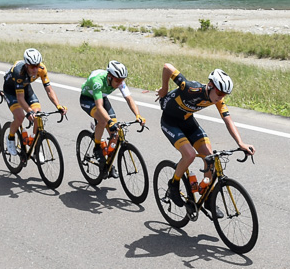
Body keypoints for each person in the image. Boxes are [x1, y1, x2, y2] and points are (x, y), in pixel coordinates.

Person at [156, 63, 254, 211]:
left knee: (210, 158)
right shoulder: (191, 88)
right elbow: (167, 67)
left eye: (225, 95)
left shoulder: (218, 98)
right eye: (220, 93)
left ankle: (207, 196)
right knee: (189, 155)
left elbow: (228, 120)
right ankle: (173, 184)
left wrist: (240, 143)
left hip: (188, 121)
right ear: (210, 85)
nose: (221, 98)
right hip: (170, 122)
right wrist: (164, 88)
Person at [80, 60, 145, 173]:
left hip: (102, 97)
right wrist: (109, 121)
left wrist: (138, 115)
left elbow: (129, 99)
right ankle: (97, 148)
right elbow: (99, 107)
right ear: (109, 77)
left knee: (115, 132)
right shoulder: (98, 81)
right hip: (88, 99)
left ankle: (107, 164)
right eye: (118, 80)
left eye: (122, 80)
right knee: (103, 121)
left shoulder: (119, 81)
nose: (120, 83)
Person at [2, 48, 67, 157]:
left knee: (38, 115)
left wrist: (58, 105)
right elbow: (20, 98)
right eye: (32, 66)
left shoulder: (42, 69)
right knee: (20, 116)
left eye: (37, 65)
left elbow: (49, 90)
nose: (35, 69)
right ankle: (11, 138)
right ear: (27, 65)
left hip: (26, 88)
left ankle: (36, 146)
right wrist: (28, 111)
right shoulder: (19, 72)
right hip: (11, 91)